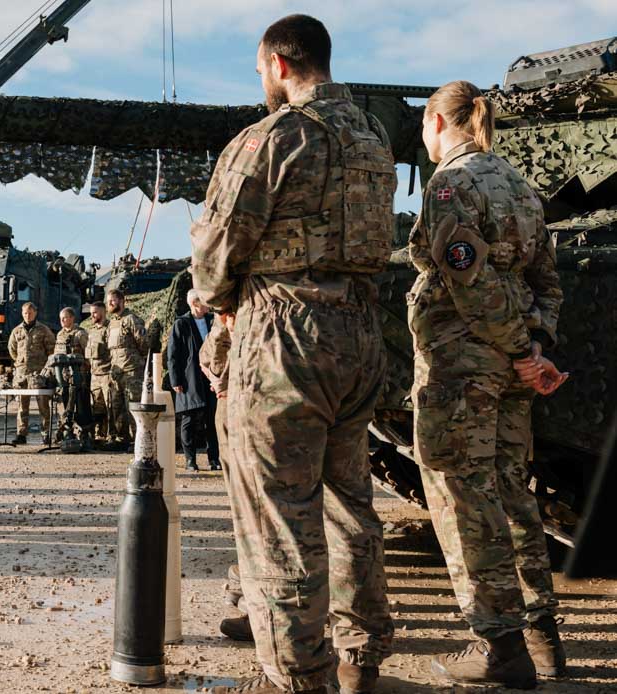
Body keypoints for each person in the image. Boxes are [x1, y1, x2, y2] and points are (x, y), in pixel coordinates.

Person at [190, 15, 396, 693]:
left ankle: (302, 677)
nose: (261, 84)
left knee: (279, 518)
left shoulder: (272, 138)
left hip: (284, 337)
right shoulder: (373, 139)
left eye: (259, 72)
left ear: (280, 64)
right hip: (360, 331)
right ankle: (361, 659)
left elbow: (216, 256)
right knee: (350, 506)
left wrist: (217, 300)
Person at [410, 80, 568, 688]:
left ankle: (501, 648)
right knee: (511, 492)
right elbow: (548, 284)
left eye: (425, 128)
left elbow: (466, 280)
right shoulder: (524, 188)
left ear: (439, 123)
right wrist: (535, 347)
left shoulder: (451, 184)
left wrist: (516, 346)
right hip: (511, 370)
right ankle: (541, 637)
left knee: (462, 499)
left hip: (462, 367)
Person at [199, 315, 252, 644]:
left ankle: (267, 617)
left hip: (246, 399)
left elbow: (212, 353)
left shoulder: (245, 297)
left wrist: (220, 376)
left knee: (255, 511)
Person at [168, 289, 220, 472]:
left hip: (211, 377)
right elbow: (173, 355)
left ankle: (214, 459)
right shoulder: (181, 323)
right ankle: (190, 459)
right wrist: (175, 380)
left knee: (212, 419)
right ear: (195, 303)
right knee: (189, 419)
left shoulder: (213, 320)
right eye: (204, 301)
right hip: (189, 379)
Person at [7, 302, 56, 445]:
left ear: (35, 313)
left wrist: (45, 368)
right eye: (25, 313)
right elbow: (12, 350)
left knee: (43, 406)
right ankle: (21, 434)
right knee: (22, 406)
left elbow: (51, 350)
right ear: (22, 314)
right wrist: (20, 362)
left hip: (39, 374)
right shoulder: (17, 331)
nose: (27, 315)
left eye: (30, 313)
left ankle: (46, 433)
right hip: (22, 374)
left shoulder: (44, 330)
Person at [106, 289, 146, 441]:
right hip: (117, 375)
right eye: (108, 301)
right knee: (117, 410)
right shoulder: (112, 324)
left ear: (122, 301)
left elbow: (143, 343)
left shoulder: (131, 319)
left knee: (134, 409)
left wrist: (136, 361)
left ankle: (138, 441)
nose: (110, 303)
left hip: (132, 372)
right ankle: (122, 440)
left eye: (113, 300)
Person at [85, 301, 121, 444]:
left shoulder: (110, 329)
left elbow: (114, 352)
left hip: (106, 374)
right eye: (91, 313)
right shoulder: (92, 330)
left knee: (111, 406)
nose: (92, 315)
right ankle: (100, 434)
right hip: (95, 375)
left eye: (95, 312)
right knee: (97, 407)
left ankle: (113, 436)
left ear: (103, 312)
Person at [53, 307, 89, 443]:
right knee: (63, 405)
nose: (62, 321)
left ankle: (83, 434)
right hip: (63, 377)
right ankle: (65, 431)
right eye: (61, 318)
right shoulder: (60, 335)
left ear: (72, 318)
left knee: (80, 406)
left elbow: (88, 354)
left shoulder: (80, 334)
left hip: (78, 376)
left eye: (65, 317)